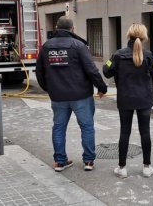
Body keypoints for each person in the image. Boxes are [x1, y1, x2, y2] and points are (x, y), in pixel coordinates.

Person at [36, 16, 107, 172]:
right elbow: (91, 70)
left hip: (58, 97)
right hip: (81, 95)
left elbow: (39, 72)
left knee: (59, 128)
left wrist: (49, 88)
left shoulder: (46, 47)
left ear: (56, 27)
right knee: (87, 127)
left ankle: (60, 162)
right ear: (72, 29)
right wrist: (101, 87)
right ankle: (88, 161)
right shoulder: (78, 45)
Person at [103, 23, 153, 178]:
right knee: (145, 132)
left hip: (125, 98)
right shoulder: (149, 55)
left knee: (124, 132)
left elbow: (106, 71)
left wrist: (110, 62)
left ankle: (122, 168)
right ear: (144, 37)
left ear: (128, 35)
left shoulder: (117, 54)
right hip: (144, 99)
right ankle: (147, 167)